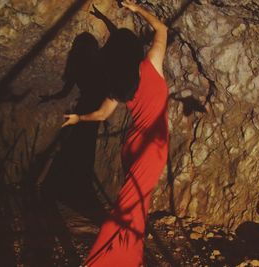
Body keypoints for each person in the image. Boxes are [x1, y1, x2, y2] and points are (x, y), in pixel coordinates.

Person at [62, 1, 168, 266]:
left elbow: (100, 114)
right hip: (152, 150)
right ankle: (99, 261)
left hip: (133, 146)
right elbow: (161, 28)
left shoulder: (118, 83)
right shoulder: (151, 65)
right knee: (128, 209)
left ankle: (130, 258)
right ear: (134, 50)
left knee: (136, 208)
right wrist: (136, 9)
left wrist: (78, 118)